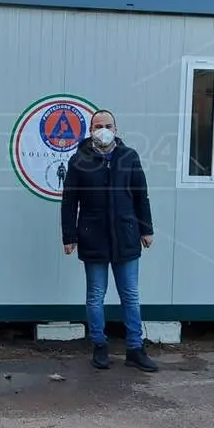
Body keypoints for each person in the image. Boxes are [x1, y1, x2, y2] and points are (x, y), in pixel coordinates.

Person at [61, 109, 157, 372]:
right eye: (97, 125)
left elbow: (141, 195)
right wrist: (68, 236)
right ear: (90, 130)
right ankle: (99, 346)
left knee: (130, 296)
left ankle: (135, 349)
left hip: (126, 236)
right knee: (95, 296)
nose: (103, 129)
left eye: (107, 125)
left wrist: (146, 229)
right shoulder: (79, 160)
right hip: (93, 237)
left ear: (116, 129)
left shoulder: (129, 157)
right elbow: (69, 201)